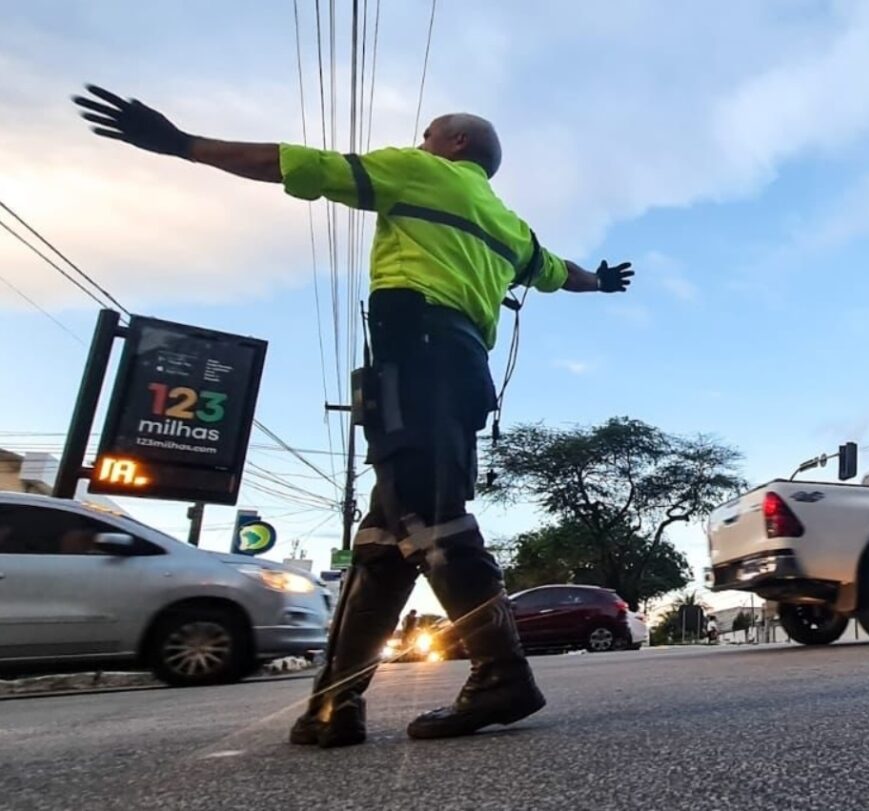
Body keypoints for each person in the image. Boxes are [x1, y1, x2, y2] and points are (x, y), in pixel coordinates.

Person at [71, 85, 637, 745]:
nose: (419, 141)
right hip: (460, 371)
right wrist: (599, 280)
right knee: (381, 546)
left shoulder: (420, 171)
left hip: (416, 354)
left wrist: (182, 144)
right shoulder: (508, 224)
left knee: (432, 520)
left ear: (453, 144)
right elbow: (555, 271)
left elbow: (298, 164)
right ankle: (334, 707)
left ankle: (502, 672)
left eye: (428, 133)